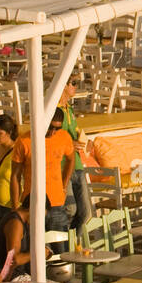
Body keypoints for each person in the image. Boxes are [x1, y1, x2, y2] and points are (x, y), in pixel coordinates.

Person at [10, 107, 75, 237]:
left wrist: (64, 184)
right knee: (32, 249)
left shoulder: (64, 137)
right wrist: (15, 206)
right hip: (31, 203)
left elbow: (71, 160)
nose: (53, 132)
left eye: (57, 128)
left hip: (56, 202)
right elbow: (15, 176)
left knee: (61, 251)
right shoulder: (24, 141)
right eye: (50, 127)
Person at [55, 82, 89, 230]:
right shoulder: (53, 110)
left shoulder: (69, 109)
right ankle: (66, 247)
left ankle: (75, 244)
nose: (76, 87)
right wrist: (69, 144)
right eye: (73, 83)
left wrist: (87, 142)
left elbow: (75, 132)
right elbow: (50, 138)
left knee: (85, 213)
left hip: (77, 164)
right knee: (70, 210)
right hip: (62, 165)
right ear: (63, 84)